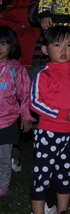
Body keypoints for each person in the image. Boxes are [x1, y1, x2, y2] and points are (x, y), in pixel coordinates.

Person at [30, 26, 70, 214]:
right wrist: (64, 113)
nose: (64, 50)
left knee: (67, 173)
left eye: (69, 45)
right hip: (50, 133)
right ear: (46, 50)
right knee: (43, 173)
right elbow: (36, 103)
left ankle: (62, 212)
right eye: (57, 45)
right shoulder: (44, 75)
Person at [0, 27, 31, 197]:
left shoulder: (15, 69)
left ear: (11, 46)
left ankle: (3, 186)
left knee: (3, 157)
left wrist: (26, 117)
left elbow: (25, 94)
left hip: (7, 121)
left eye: (3, 44)